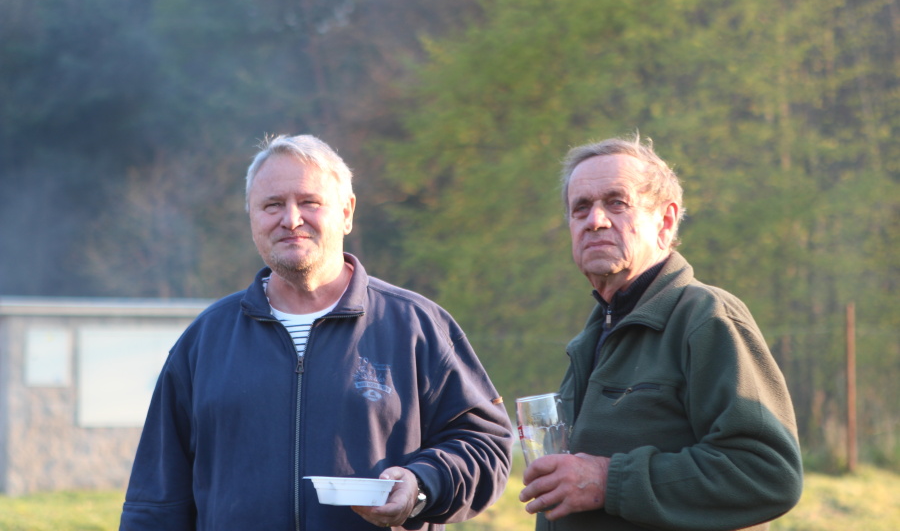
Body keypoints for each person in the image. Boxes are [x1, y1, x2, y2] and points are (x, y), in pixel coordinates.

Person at [120, 134, 514, 530]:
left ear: (347, 212)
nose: (291, 220)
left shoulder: (416, 326)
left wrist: (422, 484)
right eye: (272, 205)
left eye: (309, 202)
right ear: (252, 217)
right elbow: (155, 500)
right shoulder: (205, 340)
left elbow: (487, 445)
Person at [519, 135, 803, 531]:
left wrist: (607, 481)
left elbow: (767, 474)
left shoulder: (707, 317)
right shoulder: (593, 337)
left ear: (665, 222)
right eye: (580, 207)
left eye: (617, 203)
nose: (595, 220)